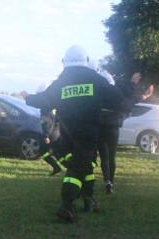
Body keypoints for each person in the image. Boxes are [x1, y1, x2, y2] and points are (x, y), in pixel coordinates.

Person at [25, 46, 122, 223]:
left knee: (87, 165)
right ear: (86, 60)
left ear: (65, 61)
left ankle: (88, 199)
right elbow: (116, 98)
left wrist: (27, 98)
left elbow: (44, 99)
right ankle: (66, 205)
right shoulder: (94, 78)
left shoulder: (62, 80)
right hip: (88, 132)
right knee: (77, 168)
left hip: (67, 133)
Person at [98, 71, 153, 194]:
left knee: (104, 157)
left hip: (100, 127)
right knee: (111, 156)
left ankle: (106, 180)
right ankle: (111, 182)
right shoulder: (116, 93)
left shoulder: (97, 93)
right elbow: (128, 102)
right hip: (113, 127)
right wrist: (143, 95)